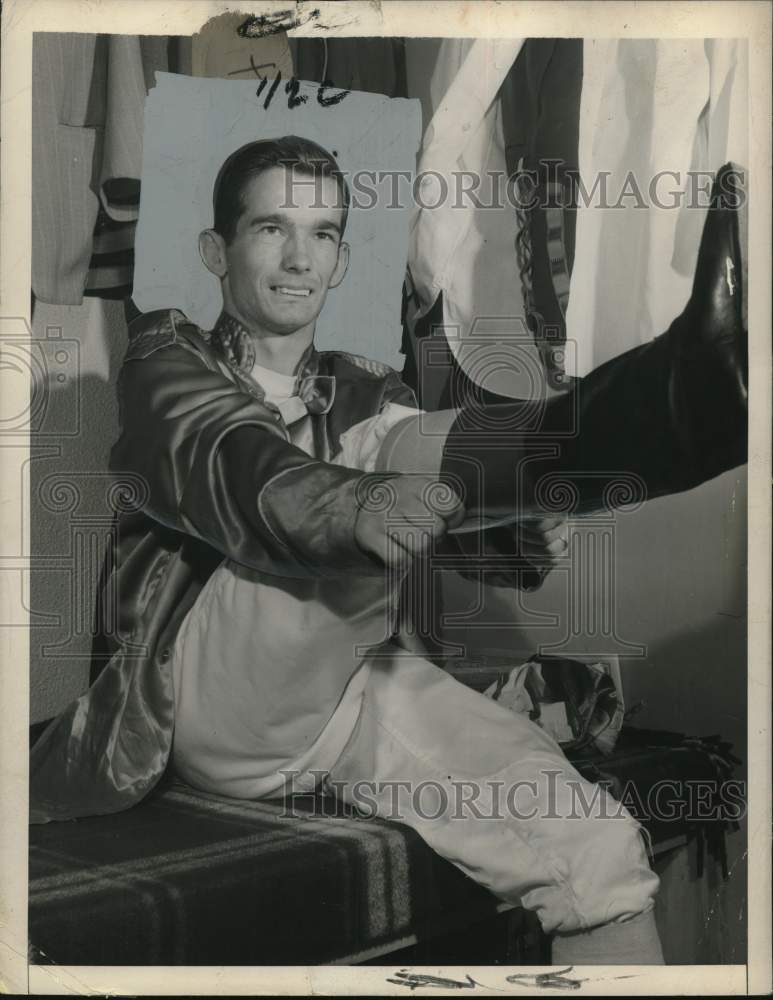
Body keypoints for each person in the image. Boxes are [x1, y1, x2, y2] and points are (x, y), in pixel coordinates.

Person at [30, 136, 747, 965]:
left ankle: (678, 414)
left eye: (325, 233)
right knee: (380, 445)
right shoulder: (166, 359)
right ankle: (659, 411)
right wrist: (365, 497)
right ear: (214, 251)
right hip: (208, 701)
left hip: (346, 686)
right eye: (271, 228)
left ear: (340, 261)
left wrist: (514, 532)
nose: (300, 257)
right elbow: (231, 460)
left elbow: (417, 508)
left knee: (588, 845)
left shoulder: (365, 385)